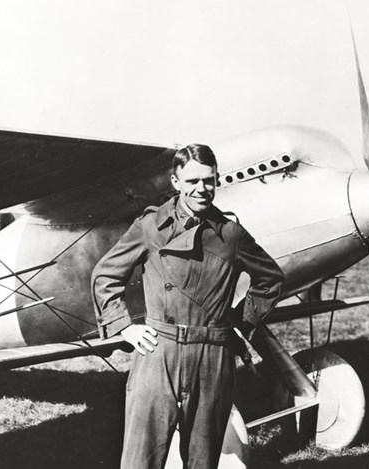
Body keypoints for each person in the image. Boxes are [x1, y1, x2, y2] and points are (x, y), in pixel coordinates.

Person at [91, 144, 284, 469]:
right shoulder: (151, 226)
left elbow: (270, 280)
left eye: (209, 180)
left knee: (202, 461)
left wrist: (240, 324)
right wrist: (124, 326)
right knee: (141, 459)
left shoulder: (230, 234)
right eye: (192, 180)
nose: (202, 189)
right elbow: (105, 275)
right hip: (159, 352)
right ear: (176, 182)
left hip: (212, 358)